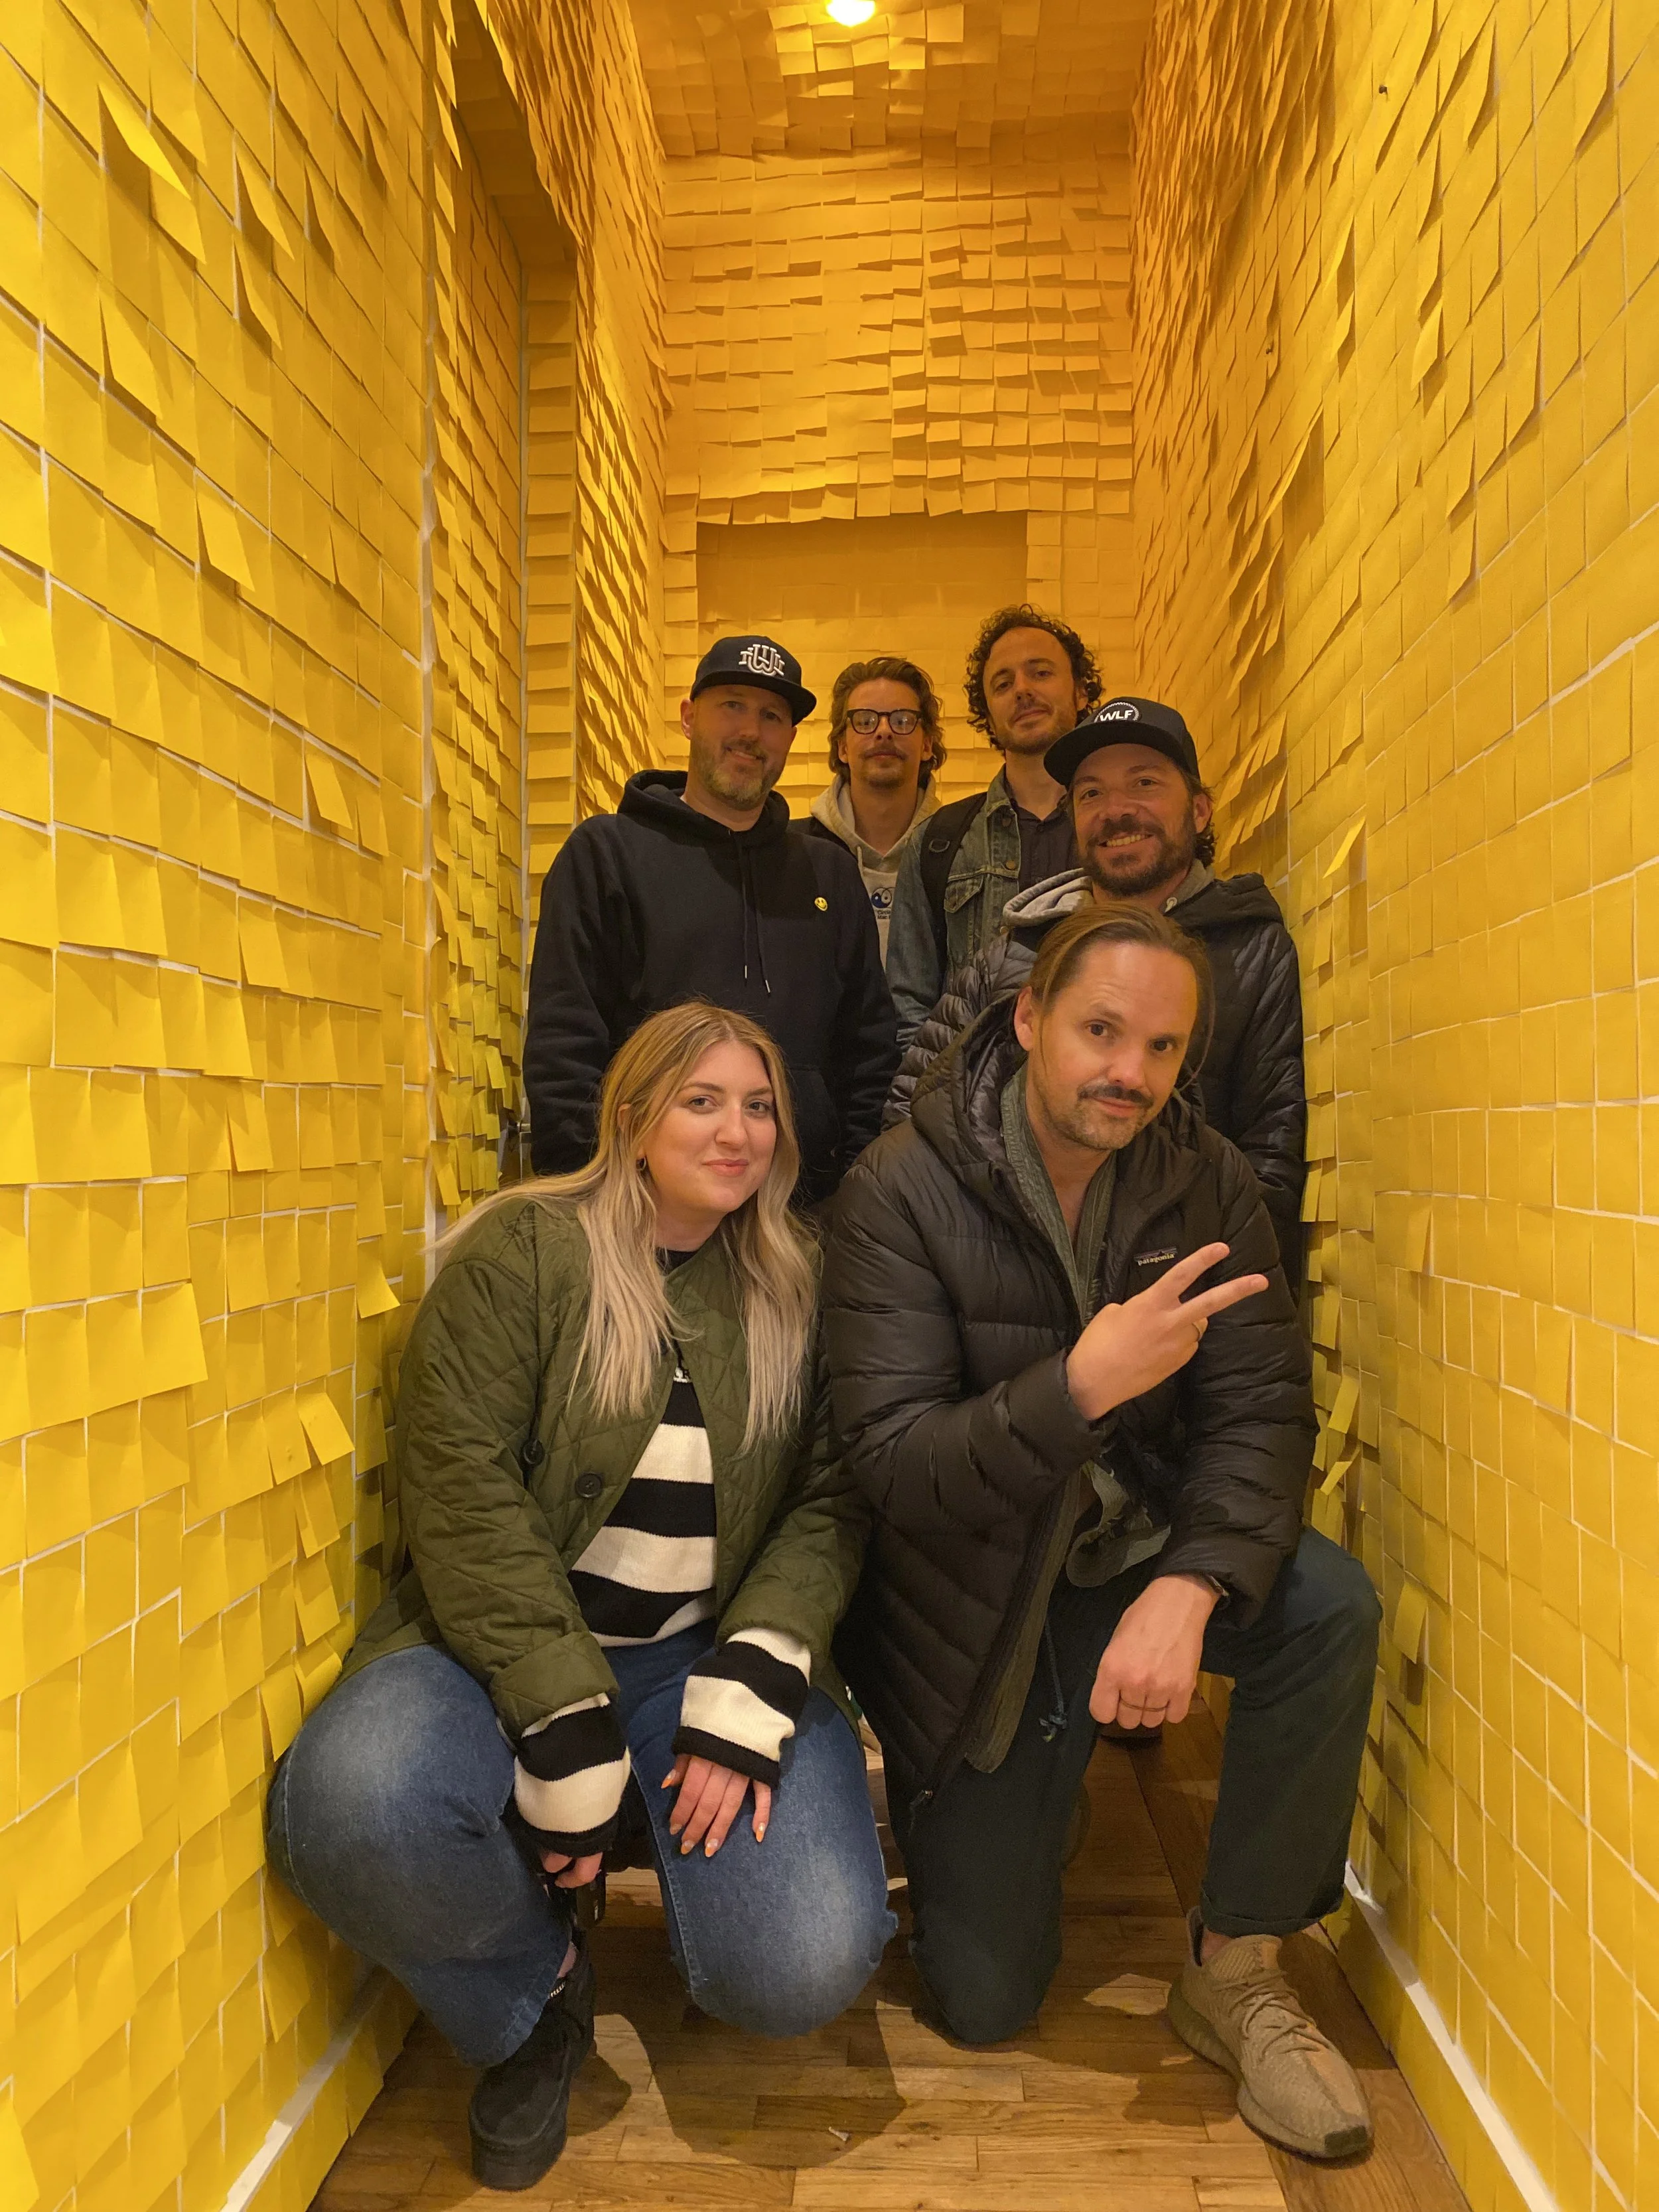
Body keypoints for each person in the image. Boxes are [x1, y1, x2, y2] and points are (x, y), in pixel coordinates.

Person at [267, 1004, 896, 2191]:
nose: (738, 1130)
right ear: (632, 1118)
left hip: (697, 1654)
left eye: (759, 1105)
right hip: (493, 1642)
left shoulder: (801, 1283)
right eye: (701, 1101)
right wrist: (558, 1708)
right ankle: (535, 1983)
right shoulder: (525, 1253)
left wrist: (756, 1671)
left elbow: (832, 1500)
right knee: (350, 1809)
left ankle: (665, 1871)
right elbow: (458, 1484)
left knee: (801, 1958)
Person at [824, 903, 1380, 2161]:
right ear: (1027, 1021)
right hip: (978, 1599)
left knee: (1328, 1608)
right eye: (1101, 1030)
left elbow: (1260, 1412)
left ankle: (1236, 1967)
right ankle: (1001, 1798)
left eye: (1164, 1045)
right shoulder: (897, 1189)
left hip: (1138, 1554)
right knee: (982, 2001)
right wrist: (1080, 1383)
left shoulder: (1207, 1172)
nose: (1129, 1070)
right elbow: (898, 1469)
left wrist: (1190, 1585)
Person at [887, 696, 1305, 1284]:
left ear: (1201, 809)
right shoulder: (1015, 955)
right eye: (1091, 794)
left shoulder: (1250, 949)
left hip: (1178, 1303)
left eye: (1144, 782)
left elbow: (1271, 1154)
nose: (1117, 810)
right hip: (1003, 1300)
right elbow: (913, 1117)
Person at [523, 635, 897, 1203]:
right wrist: (586, 1199)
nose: (751, 731)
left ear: (790, 740)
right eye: (732, 706)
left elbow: (868, 1052)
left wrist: (855, 1196)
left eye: (772, 716)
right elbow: (564, 1043)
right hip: (641, 1214)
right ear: (689, 717)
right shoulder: (605, 855)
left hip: (803, 1218)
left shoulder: (830, 875)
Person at [884, 604, 1102, 1044]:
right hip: (971, 1105)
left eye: (1040, 673)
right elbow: (910, 1009)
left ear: (1081, 692)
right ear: (988, 711)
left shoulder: (1119, 829)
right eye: (1003, 684)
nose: (1022, 690)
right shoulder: (937, 843)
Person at [801, 655, 946, 962]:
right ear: (842, 747)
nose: (884, 731)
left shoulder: (960, 852)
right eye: (865, 721)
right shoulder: (796, 854)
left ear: (927, 745)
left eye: (903, 720)